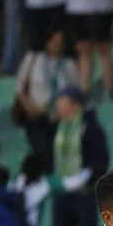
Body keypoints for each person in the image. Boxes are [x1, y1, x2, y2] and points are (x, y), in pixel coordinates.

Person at [15, 26, 78, 171]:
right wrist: (29, 108)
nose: (57, 44)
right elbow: (20, 88)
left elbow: (75, 92)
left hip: (60, 118)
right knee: (43, 151)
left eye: (60, 41)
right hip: (36, 115)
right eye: (54, 40)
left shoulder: (69, 65)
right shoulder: (32, 59)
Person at [51, 88, 109, 226]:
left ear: (76, 105)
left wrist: (85, 177)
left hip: (84, 192)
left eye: (63, 104)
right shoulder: (59, 128)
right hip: (62, 191)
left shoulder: (90, 128)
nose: (59, 109)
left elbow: (101, 159)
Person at [66, 0, 113, 97]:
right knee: (83, 51)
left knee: (103, 50)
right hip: (77, 6)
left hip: (101, 5)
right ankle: (84, 92)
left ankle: (108, 91)